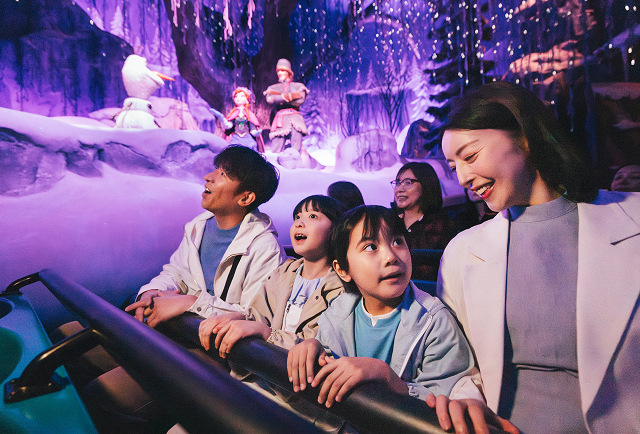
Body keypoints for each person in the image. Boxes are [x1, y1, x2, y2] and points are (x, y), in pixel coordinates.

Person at [433, 81, 640, 434]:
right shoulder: (461, 252)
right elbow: (459, 364)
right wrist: (466, 397)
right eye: (454, 167)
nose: (463, 177)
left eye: (470, 156)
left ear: (525, 138)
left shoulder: (633, 218)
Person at [66, 145, 287, 434]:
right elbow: (174, 273)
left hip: (216, 357)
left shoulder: (265, 248)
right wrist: (150, 293)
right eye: (215, 169)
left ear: (245, 197)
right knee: (68, 336)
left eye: (222, 174)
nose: (208, 177)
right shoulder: (199, 227)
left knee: (101, 395)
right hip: (174, 335)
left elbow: (254, 318)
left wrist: (191, 302)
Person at [287, 205, 481, 410]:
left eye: (397, 241)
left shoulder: (434, 321)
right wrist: (312, 351)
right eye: (370, 247)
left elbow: (449, 400)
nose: (391, 256)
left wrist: (390, 379)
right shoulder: (336, 314)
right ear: (342, 269)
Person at [198, 195, 347, 356]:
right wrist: (234, 317)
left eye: (312, 216)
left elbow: (319, 346)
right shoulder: (283, 272)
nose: (299, 223)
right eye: (297, 217)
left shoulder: (341, 288)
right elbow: (259, 314)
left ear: (336, 229)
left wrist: (267, 334)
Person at [391, 162, 457, 280]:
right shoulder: (390, 222)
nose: (400, 189)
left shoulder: (440, 223)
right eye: (398, 183)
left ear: (426, 185)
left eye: (408, 183)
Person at [264, 58, 310, 155]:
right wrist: (291, 96)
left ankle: (296, 162)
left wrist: (280, 97)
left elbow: (300, 100)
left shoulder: (298, 86)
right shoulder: (273, 88)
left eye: (282, 70)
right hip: (280, 120)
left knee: (296, 146)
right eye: (278, 71)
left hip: (295, 119)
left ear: (288, 71)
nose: (279, 73)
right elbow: (270, 99)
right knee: (277, 147)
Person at [209, 87, 264, 152]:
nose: (238, 98)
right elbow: (229, 126)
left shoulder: (250, 114)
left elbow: (252, 128)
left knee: (251, 146)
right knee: (232, 148)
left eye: (242, 96)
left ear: (247, 100)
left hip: (247, 137)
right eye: (236, 96)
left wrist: (256, 133)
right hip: (236, 137)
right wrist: (222, 118)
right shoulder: (233, 113)